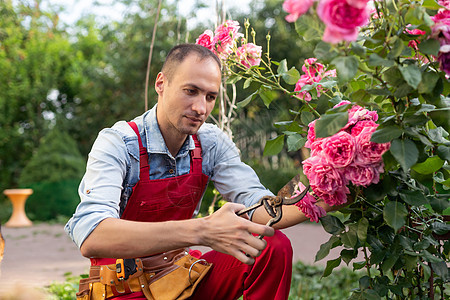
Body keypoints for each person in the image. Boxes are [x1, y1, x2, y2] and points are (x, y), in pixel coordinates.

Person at [65, 43, 337, 300]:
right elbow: (92, 236)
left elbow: (257, 206)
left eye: (210, 97)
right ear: (161, 83)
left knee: (271, 245)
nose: (201, 108)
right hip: (122, 289)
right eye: (191, 91)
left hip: (180, 278)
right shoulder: (118, 143)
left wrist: (329, 192)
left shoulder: (209, 142)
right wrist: (202, 230)